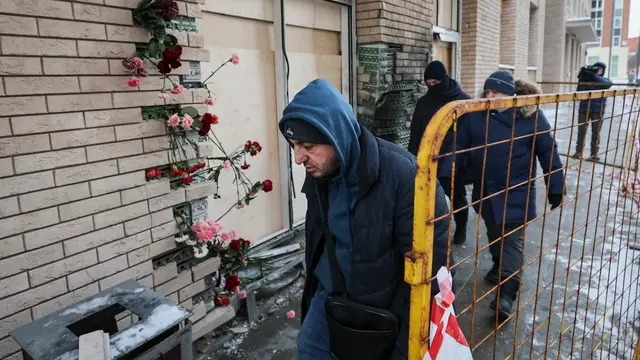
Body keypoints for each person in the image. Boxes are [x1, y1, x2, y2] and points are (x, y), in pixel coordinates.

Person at [279, 79, 452, 359]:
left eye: (308, 145)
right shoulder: (320, 172)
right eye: (294, 145)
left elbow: (432, 273)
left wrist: (406, 347)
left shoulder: (406, 176)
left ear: (337, 136)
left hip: (383, 316)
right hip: (330, 300)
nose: (299, 158)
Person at [447, 71, 565, 321]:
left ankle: (507, 294)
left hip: (517, 192)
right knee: (494, 235)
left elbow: (548, 151)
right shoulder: (476, 115)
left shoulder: (529, 115)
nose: (490, 97)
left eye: (496, 93)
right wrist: (449, 172)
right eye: (487, 92)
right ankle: (501, 267)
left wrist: (556, 186)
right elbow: (459, 146)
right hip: (486, 191)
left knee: (512, 240)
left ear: (510, 94)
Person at [408, 60, 472, 245]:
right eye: (428, 84)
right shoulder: (424, 102)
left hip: (455, 160)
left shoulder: (463, 101)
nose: (432, 87)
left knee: (457, 196)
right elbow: (416, 133)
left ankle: (461, 229)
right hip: (430, 159)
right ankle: (435, 234)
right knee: (430, 198)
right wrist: (413, 159)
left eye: (436, 82)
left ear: (445, 78)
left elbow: (474, 135)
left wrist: (468, 163)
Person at [573, 61, 613, 161]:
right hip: (584, 109)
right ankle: (578, 152)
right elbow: (579, 92)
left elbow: (607, 84)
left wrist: (592, 75)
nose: (598, 70)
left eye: (600, 69)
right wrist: (581, 78)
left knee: (596, 132)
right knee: (581, 131)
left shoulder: (605, 80)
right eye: (596, 68)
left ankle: (593, 154)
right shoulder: (587, 79)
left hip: (598, 110)